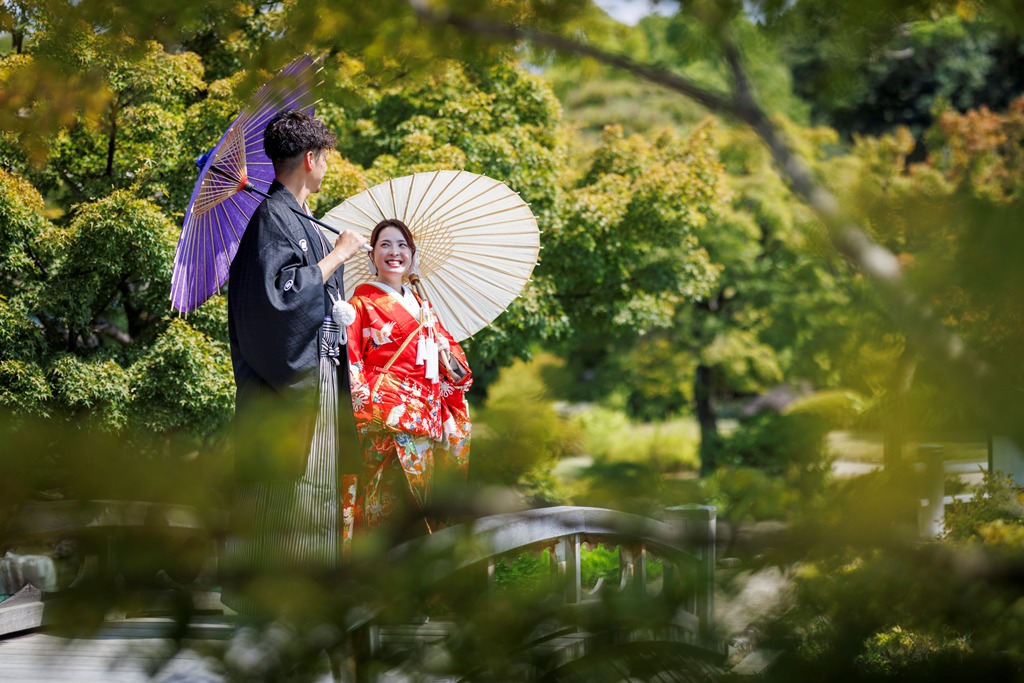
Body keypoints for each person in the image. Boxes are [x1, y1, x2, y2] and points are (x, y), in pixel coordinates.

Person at [223, 109, 367, 615]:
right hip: (285, 383)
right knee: (282, 490)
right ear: (311, 158)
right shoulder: (271, 218)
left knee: (314, 485)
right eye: (325, 156)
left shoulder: (298, 219)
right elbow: (278, 300)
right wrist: (337, 256)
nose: (327, 165)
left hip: (316, 371)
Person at [345, 219, 472, 542]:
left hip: (425, 422)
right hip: (383, 421)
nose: (394, 253)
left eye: (402, 245)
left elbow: (459, 375)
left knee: (419, 512)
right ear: (371, 255)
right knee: (384, 509)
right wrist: (368, 411)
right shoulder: (360, 305)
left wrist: (445, 353)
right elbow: (351, 362)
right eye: (385, 245)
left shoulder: (424, 308)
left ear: (412, 255)